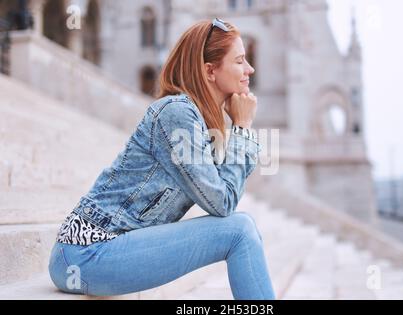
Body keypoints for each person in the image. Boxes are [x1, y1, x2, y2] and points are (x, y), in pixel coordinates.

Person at [48, 18, 275, 300]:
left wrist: (238, 130)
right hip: (85, 254)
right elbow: (223, 202)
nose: (249, 69)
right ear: (210, 70)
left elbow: (226, 192)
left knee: (244, 227)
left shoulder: (201, 124)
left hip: (105, 251)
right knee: (239, 230)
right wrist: (241, 128)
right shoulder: (176, 114)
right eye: (240, 61)